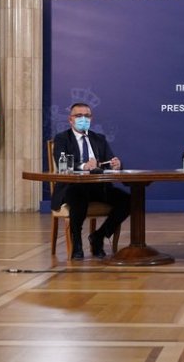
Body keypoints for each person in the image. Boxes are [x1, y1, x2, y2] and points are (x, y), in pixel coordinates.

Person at [52, 102, 131, 261]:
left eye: (87, 116)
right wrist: (84, 166)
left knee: (128, 201)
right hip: (72, 187)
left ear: (91, 119)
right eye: (79, 116)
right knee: (78, 195)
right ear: (70, 119)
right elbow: (62, 164)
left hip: (98, 187)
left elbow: (110, 160)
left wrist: (116, 164)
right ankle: (77, 244)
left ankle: (99, 236)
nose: (83, 119)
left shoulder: (99, 138)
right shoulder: (62, 138)